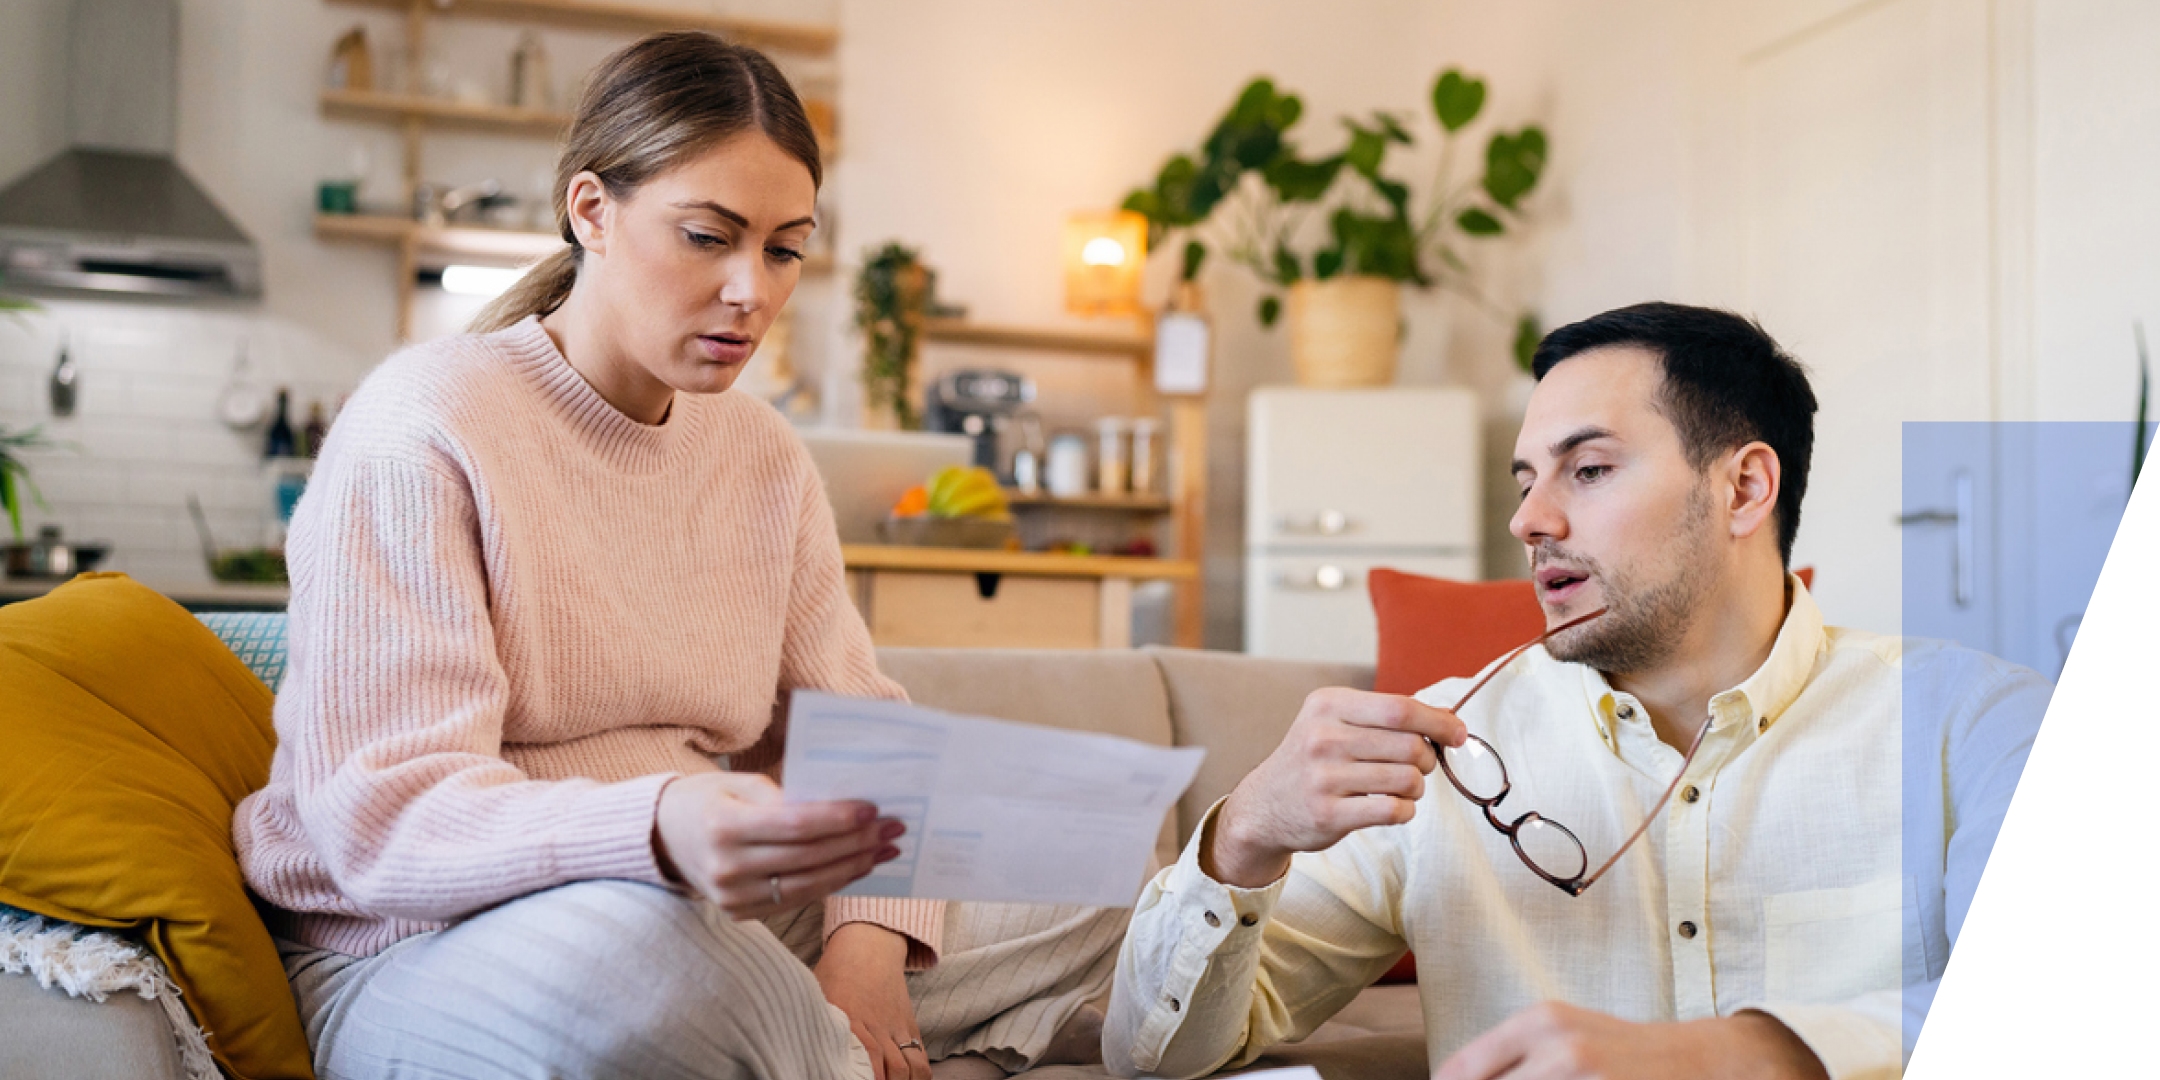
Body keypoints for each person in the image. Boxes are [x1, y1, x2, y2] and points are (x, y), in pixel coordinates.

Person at [233, 32, 1116, 1080]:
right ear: (591, 211)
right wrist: (657, 823)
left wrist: (867, 950)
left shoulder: (761, 455)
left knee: (1093, 872)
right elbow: (387, 823)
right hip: (434, 943)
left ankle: (827, 1038)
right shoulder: (422, 424)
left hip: (694, 901)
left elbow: (865, 737)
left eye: (785, 249)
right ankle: (844, 1048)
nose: (752, 290)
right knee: (663, 968)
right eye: (708, 237)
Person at [1105, 302, 2048, 1080]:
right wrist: (1245, 836)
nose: (1529, 519)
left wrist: (1738, 1057)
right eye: (1526, 482)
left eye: (1588, 470)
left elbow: (2070, 1005)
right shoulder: (1443, 747)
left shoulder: (1974, 723)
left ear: (1744, 489)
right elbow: (1155, 1056)